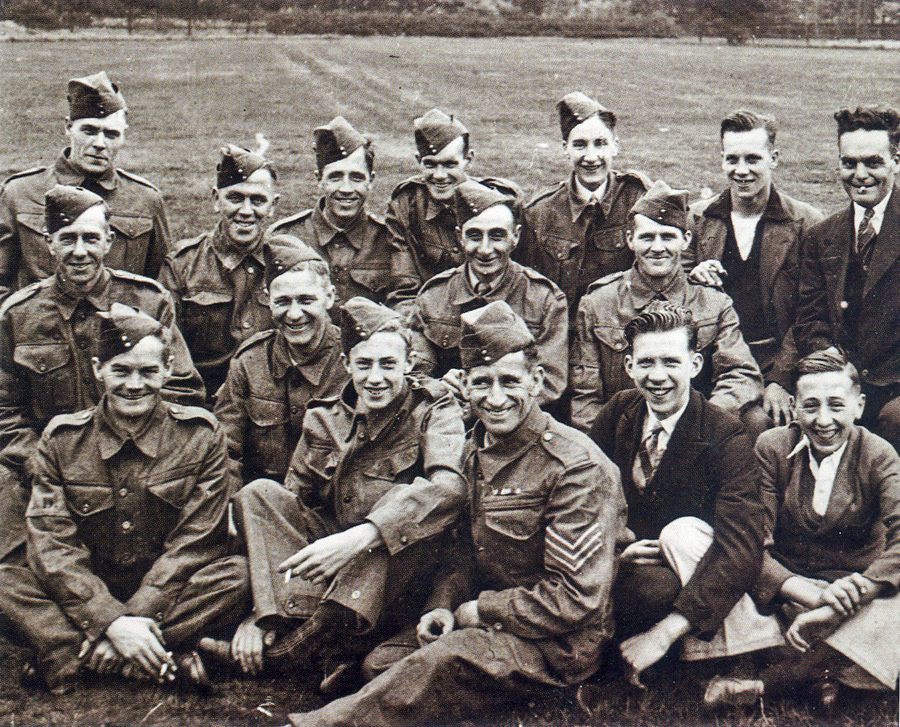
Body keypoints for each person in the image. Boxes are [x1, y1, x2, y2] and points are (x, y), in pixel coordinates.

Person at [280, 300, 625, 727]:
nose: (495, 399)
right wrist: (442, 605)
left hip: (556, 642)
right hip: (484, 619)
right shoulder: (471, 452)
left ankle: (318, 724)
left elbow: (575, 599)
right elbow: (463, 552)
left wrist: (478, 612)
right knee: (381, 665)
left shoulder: (576, 466)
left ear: (536, 381)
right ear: (464, 384)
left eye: (509, 382)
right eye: (482, 383)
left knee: (443, 662)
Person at [0, 304, 248, 694]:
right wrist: (110, 619)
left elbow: (196, 543)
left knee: (236, 576)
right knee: (7, 579)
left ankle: (71, 654)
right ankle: (161, 653)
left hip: (166, 585)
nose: (134, 385)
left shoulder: (201, 435)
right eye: (121, 370)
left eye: (148, 372)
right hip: (86, 584)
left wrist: (130, 616)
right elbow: (53, 544)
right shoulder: (61, 439)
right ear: (98, 368)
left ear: (168, 370)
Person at [226, 297, 466, 682]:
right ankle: (298, 628)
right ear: (346, 364)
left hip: (403, 567)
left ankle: (298, 650)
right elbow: (291, 507)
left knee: (392, 515)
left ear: (409, 364)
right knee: (258, 495)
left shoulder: (435, 410)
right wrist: (260, 608)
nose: (375, 378)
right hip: (336, 559)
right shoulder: (324, 418)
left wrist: (365, 534)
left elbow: (449, 488)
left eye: (388, 365)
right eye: (364, 364)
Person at [0, 185, 203, 574]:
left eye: (91, 238)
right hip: (48, 475)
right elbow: (5, 411)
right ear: (48, 243)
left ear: (108, 241)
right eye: (68, 238)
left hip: (142, 466)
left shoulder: (148, 300)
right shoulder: (18, 315)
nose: (80, 251)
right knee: (18, 574)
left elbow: (183, 391)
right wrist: (43, 465)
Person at [589, 305, 777, 683]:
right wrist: (615, 548)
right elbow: (585, 497)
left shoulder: (725, 434)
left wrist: (665, 632)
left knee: (654, 588)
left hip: (686, 575)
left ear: (694, 364)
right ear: (628, 365)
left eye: (671, 362)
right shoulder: (617, 413)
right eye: (646, 363)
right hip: (621, 562)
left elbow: (740, 548)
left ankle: (684, 652)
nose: (657, 377)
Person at [706, 349, 900, 709]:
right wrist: (809, 597)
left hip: (852, 597)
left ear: (859, 406)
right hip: (784, 594)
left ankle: (766, 683)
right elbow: (751, 540)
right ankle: (831, 671)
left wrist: (841, 603)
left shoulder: (879, 454)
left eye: (836, 405)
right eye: (810, 406)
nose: (823, 420)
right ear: (794, 406)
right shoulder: (772, 446)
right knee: (704, 542)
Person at [570, 180, 765, 437]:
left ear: (685, 240)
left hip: (695, 435)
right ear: (630, 240)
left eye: (668, 237)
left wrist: (696, 424)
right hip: (623, 435)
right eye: (647, 237)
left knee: (755, 419)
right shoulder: (598, 303)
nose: (658, 248)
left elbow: (741, 374)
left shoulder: (714, 303)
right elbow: (585, 396)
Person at [686, 110, 824, 426]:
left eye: (753, 159)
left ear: (773, 158)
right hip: (714, 359)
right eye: (732, 160)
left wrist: (781, 379)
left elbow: (811, 313)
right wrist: (692, 279)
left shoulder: (806, 224)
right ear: (721, 159)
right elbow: (673, 287)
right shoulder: (697, 218)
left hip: (777, 359)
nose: (742, 171)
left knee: (760, 424)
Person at [0, 71, 170, 296]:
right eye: (89, 130)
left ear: (123, 137)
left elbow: (161, 285)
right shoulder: (19, 193)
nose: (99, 143)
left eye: (111, 134)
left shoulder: (145, 199)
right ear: (68, 127)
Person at [792, 105, 900, 452]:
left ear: (896, 162)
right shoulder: (822, 235)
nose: (861, 175)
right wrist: (836, 373)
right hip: (842, 383)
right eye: (849, 163)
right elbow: (811, 318)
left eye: (873, 162)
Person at [410, 179, 568, 407]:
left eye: (497, 236)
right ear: (459, 237)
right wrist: (439, 388)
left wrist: (483, 403)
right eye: (474, 236)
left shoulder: (544, 300)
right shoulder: (433, 296)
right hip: (445, 415)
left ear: (515, 236)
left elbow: (550, 383)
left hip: (511, 418)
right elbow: (414, 372)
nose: (485, 249)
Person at [214, 236, 348, 487]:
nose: (294, 314)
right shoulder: (250, 360)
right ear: (268, 300)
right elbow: (226, 450)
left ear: (329, 297)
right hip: (262, 501)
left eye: (306, 300)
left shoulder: (354, 361)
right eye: (283, 302)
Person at [518, 91, 651, 327]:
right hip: (562, 336)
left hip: (621, 334)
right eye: (579, 145)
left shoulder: (640, 201)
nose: (591, 157)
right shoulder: (540, 212)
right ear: (564, 148)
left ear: (615, 146)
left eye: (600, 144)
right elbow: (529, 291)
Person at [159, 140, 279, 399]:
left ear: (273, 205)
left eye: (257, 200)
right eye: (235, 198)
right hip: (201, 402)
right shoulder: (182, 265)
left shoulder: (287, 264)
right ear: (216, 199)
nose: (246, 211)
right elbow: (167, 349)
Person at [267, 116, 418, 312]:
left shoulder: (389, 239)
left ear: (370, 181)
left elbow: (403, 301)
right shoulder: (285, 236)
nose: (346, 189)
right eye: (335, 177)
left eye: (356, 177)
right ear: (319, 179)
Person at [385, 108, 520, 291]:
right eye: (430, 164)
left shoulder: (502, 202)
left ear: (468, 159)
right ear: (419, 161)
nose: (440, 176)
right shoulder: (406, 205)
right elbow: (404, 287)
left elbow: (521, 278)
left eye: (450, 164)